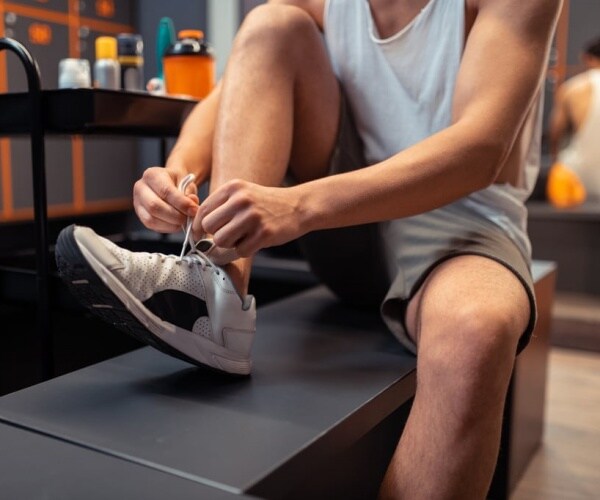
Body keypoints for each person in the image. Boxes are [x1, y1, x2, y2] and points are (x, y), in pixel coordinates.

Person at [56, 0, 561, 498]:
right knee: (272, 23)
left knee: (478, 330)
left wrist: (300, 205)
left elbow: (481, 150)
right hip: (348, 233)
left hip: (460, 224)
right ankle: (217, 289)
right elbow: (237, 82)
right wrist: (180, 168)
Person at [548, 35, 600, 204]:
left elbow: (555, 133)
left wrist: (554, 162)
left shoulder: (574, 88)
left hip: (576, 179)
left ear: (587, 58)